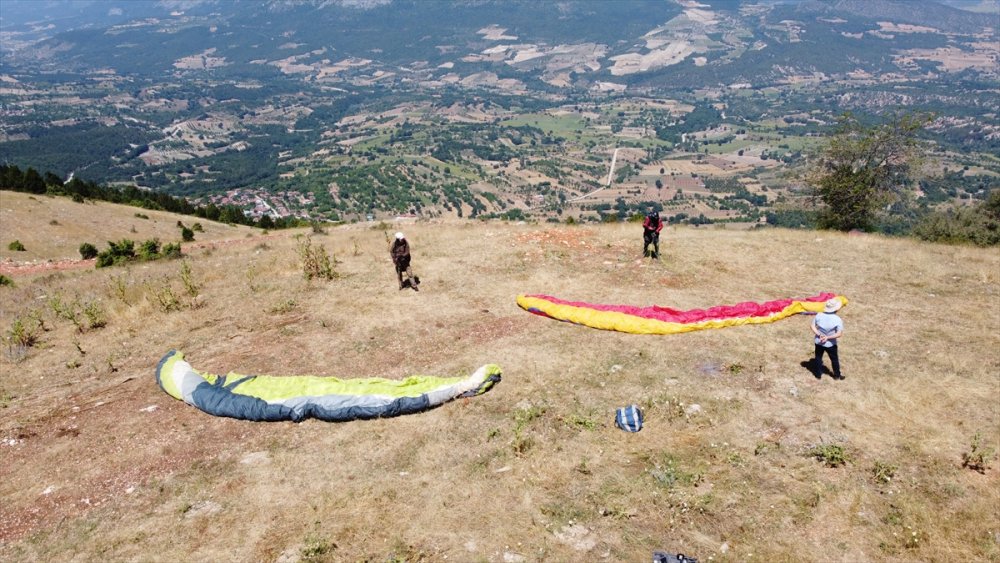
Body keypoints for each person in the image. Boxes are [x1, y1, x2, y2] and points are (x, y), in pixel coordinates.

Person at [811, 298, 844, 380]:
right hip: (830, 344)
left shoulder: (819, 315)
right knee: (834, 359)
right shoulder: (837, 319)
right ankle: (837, 375)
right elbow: (839, 334)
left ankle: (818, 375)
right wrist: (827, 337)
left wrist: (819, 334)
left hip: (819, 341)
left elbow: (812, 326)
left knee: (818, 358)